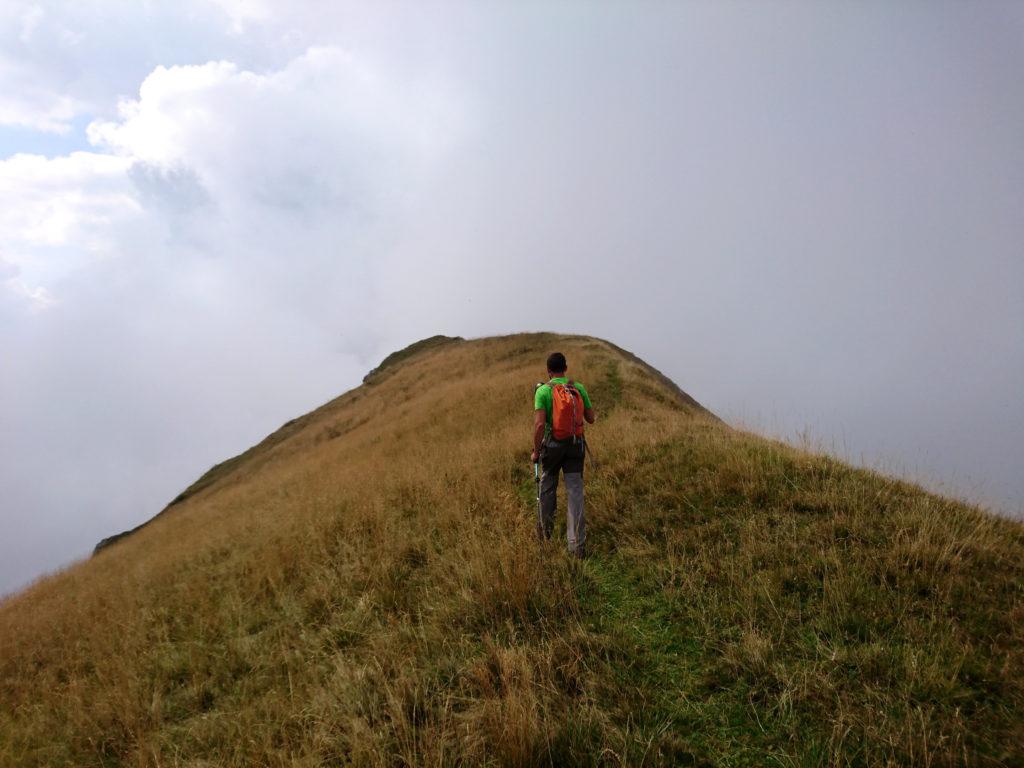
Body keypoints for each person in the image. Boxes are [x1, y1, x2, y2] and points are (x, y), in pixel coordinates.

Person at [531, 352, 596, 558]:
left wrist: (535, 451)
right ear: (565, 368)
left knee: (548, 487)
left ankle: (545, 537)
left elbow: (540, 424)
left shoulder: (543, 391)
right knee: (574, 492)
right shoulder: (578, 388)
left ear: (548, 371)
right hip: (576, 446)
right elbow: (591, 418)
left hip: (552, 446)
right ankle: (577, 547)